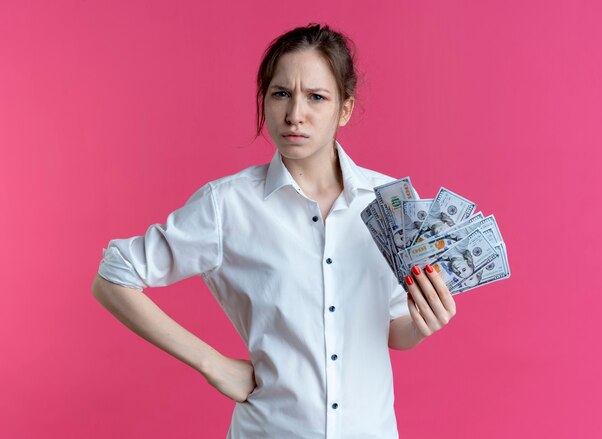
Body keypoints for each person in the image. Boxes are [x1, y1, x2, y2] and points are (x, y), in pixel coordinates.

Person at [91, 23, 457, 439]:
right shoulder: (228, 206)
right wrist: (213, 364)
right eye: (281, 93)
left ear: (345, 108)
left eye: (316, 97)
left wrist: (422, 324)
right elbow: (113, 277)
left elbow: (394, 332)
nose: (294, 114)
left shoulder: (390, 202)